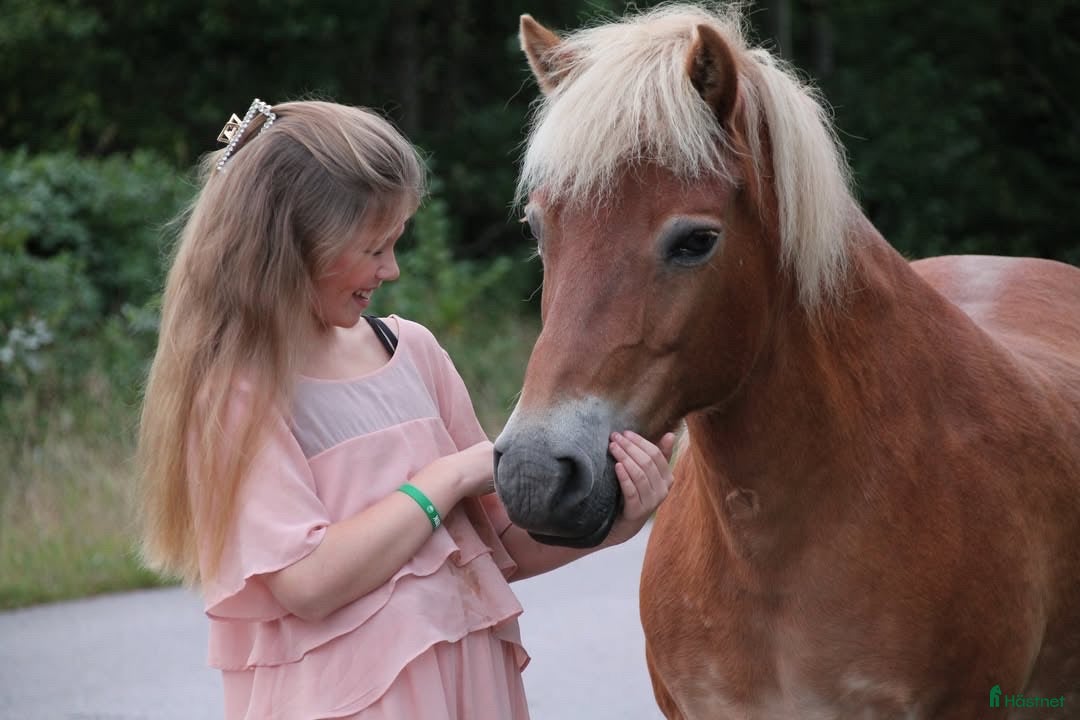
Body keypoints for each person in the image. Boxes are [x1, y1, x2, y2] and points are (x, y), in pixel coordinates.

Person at [136, 98, 676, 720]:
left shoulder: (411, 351)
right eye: (373, 248)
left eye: (395, 243)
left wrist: (614, 522)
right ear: (292, 244)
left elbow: (498, 544)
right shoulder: (239, 393)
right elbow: (306, 583)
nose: (390, 269)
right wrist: (444, 479)